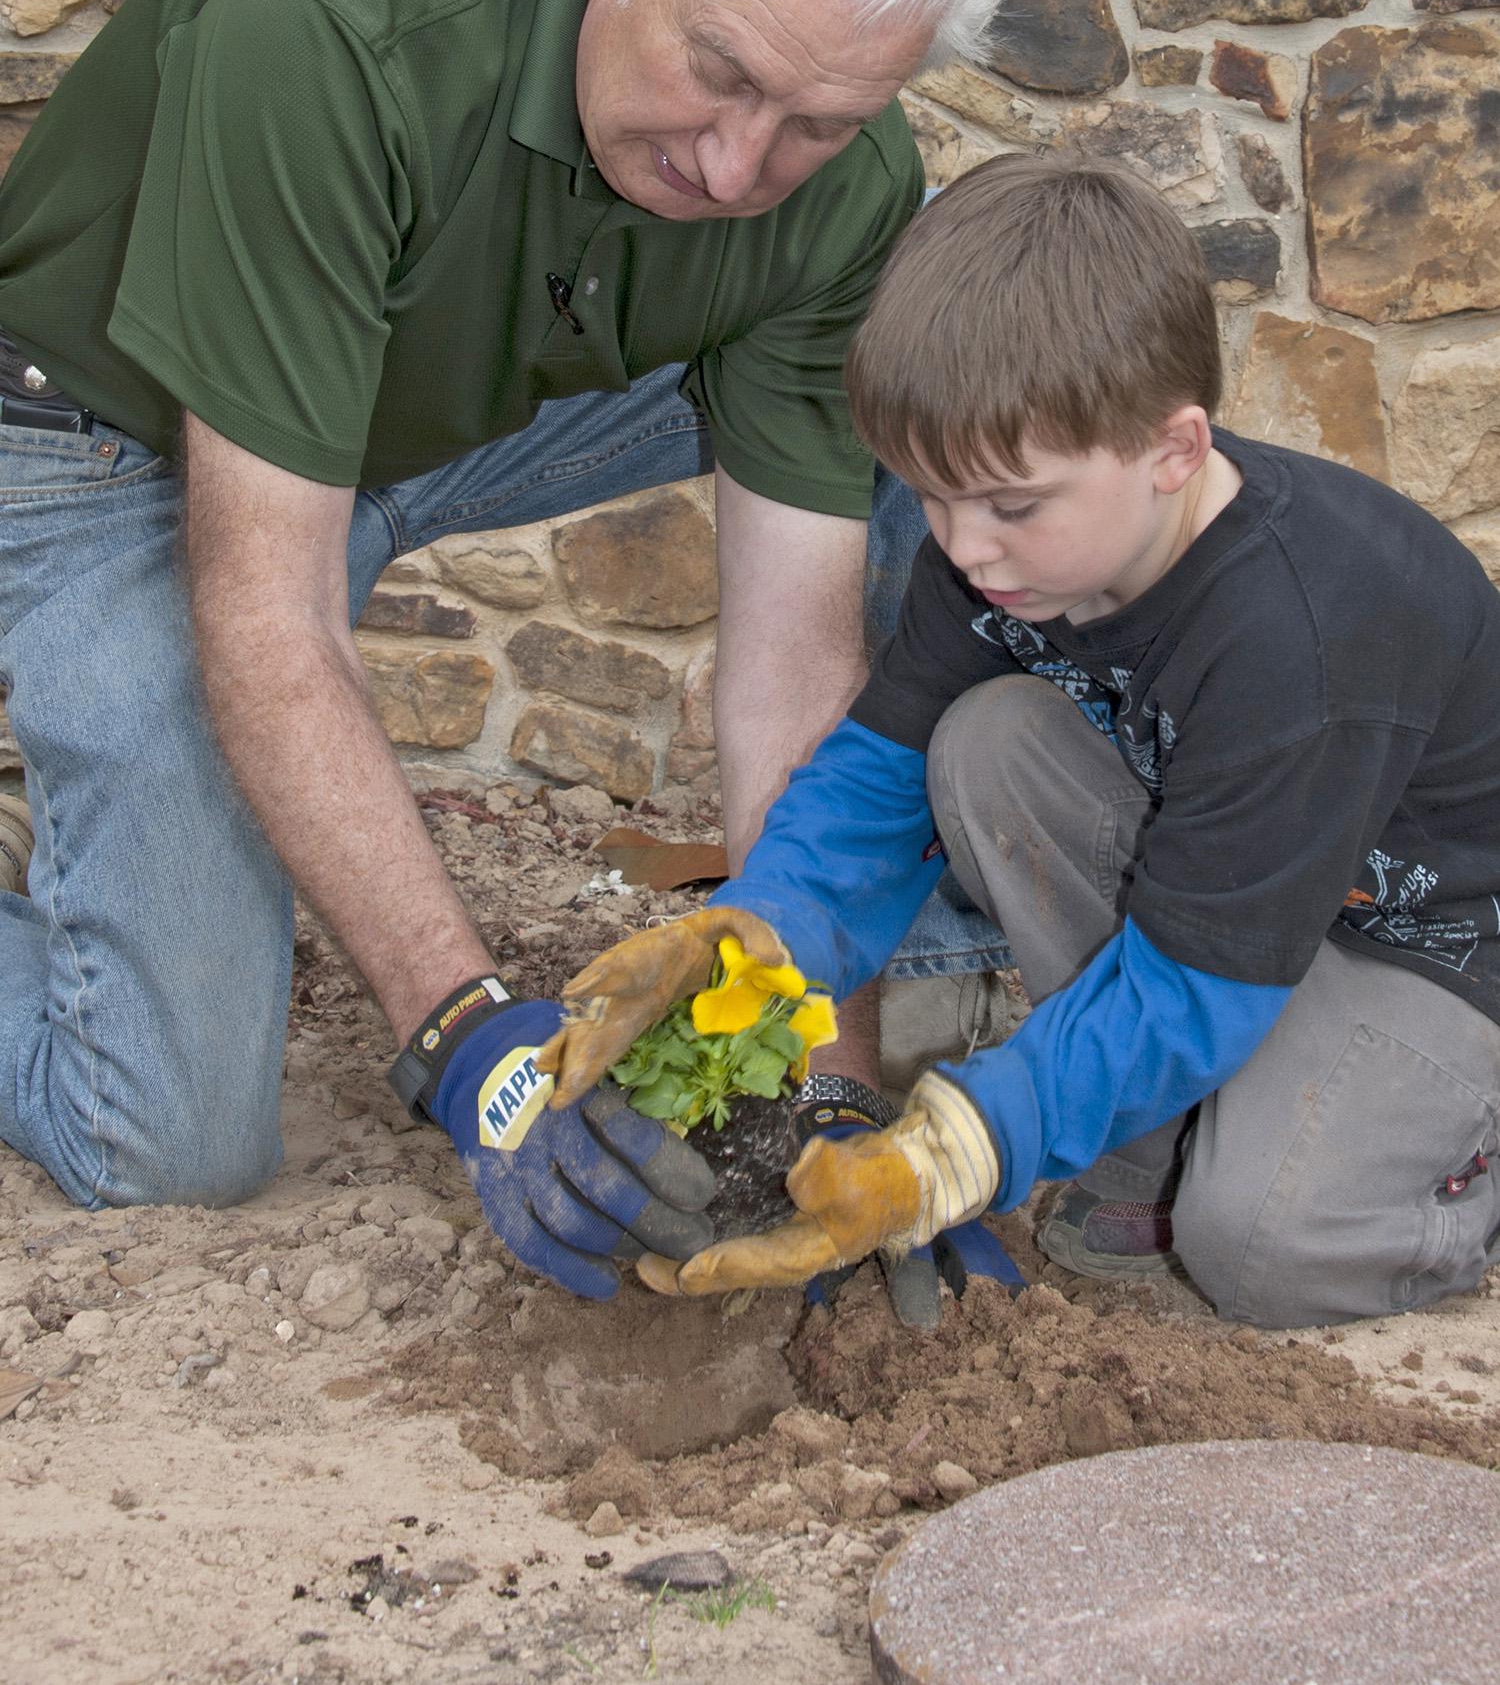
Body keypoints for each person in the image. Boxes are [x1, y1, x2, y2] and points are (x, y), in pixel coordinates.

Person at [0, 0, 1017, 1281]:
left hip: (427, 414)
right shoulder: (337, 20)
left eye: (816, 124)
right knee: (167, 1137)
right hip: (109, 438)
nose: (740, 170)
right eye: (720, 72)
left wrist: (817, 1078)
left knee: (955, 401)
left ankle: (937, 965)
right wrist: (483, 1051)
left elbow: (793, 664)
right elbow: (267, 613)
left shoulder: (840, 191)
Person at [541, 152, 1500, 1329]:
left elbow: (1197, 983)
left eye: (1009, 505)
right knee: (984, 740)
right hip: (1246, 901)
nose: (966, 549)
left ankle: (1453, 1155)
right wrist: (756, 937)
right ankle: (1156, 1133)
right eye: (930, 499)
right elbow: (874, 787)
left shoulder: (1301, 636)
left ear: (1175, 449)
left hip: (1438, 945)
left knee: (1260, 1249)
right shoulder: (1003, 560)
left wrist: (953, 1153)